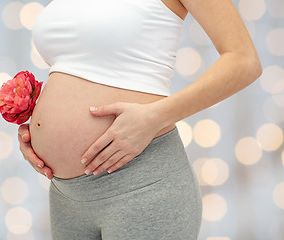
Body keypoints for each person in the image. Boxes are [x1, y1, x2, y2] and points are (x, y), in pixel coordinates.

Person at [18, 0, 262, 239]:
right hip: (66, 195)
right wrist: (39, 130)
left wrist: (154, 116)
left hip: (141, 184)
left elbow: (243, 60)